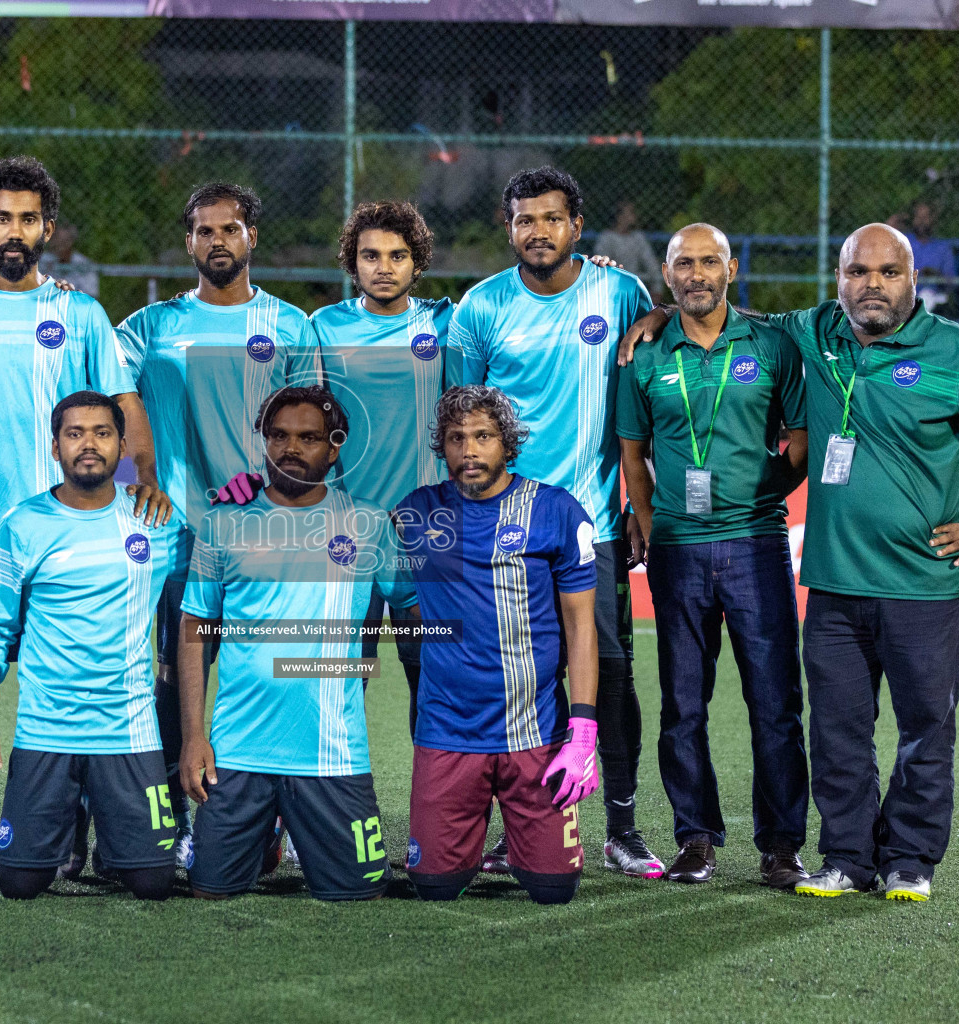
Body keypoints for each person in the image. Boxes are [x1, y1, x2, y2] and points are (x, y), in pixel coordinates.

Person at [622, 224, 959, 902]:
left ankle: (909, 859)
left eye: (887, 272)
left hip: (925, 582)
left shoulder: (956, 351)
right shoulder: (814, 332)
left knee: (924, 729)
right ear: (838, 280)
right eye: (856, 272)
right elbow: (726, 312)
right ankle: (847, 859)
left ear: (913, 280)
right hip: (835, 583)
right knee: (838, 732)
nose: (871, 285)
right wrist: (665, 311)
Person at [0, 156, 168, 877]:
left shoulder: (78, 312)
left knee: (72, 684)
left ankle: (69, 835)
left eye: (29, 219)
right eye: (3, 218)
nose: (15, 232)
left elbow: (122, 401)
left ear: (50, 228)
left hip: (67, 536)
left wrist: (148, 477)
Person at [445, 165, 665, 879]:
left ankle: (623, 828)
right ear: (507, 229)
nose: (537, 231)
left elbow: (647, 390)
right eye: (523, 220)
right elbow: (462, 423)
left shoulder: (618, 290)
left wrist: (637, 499)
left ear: (577, 226)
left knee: (612, 674)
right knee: (520, 682)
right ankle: (526, 828)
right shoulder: (478, 309)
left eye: (551, 218)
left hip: (594, 524)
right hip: (506, 531)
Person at [115, 182, 320, 869]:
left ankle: (273, 817)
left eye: (230, 230)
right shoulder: (150, 327)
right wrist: (143, 470)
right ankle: (174, 818)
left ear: (252, 238)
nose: (217, 242)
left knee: (267, 673)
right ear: (189, 243)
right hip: (176, 530)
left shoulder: (291, 326)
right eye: (204, 232)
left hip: (267, 530)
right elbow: (104, 383)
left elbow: (313, 430)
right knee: (177, 678)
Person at [615, 223, 810, 889]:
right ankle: (695, 839)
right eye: (683, 264)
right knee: (683, 705)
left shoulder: (771, 344)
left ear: (730, 268)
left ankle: (781, 845)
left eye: (709, 262)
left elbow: (802, 443)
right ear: (667, 276)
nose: (696, 274)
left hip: (757, 544)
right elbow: (633, 456)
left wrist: (760, 495)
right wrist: (647, 522)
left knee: (775, 703)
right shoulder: (642, 353)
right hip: (677, 549)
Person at [178, 385, 414, 901]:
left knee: (359, 893)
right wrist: (193, 736)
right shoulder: (222, 521)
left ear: (335, 447)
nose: (291, 447)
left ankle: (289, 829)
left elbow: (412, 619)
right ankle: (265, 832)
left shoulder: (370, 526)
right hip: (239, 751)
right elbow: (195, 631)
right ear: (263, 442)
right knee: (210, 890)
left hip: (331, 754)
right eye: (279, 435)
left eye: (308, 438)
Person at [0, 392, 178, 901]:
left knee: (152, 883)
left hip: (127, 730)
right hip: (47, 728)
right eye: (75, 433)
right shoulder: (22, 525)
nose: (89, 444)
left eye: (103, 433)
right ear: (56, 446)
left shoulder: (158, 522)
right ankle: (70, 829)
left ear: (123, 445)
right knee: (19, 884)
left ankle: (112, 834)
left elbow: (218, 574)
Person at [395, 386, 601, 904]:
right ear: (441, 447)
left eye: (483, 436)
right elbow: (404, 598)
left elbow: (581, 628)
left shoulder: (556, 511)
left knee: (553, 889)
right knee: (434, 886)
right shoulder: (417, 514)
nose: (469, 449)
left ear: (508, 445)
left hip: (536, 732)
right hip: (448, 730)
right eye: (456, 437)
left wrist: (583, 730)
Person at [303, 200, 451, 734]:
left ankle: (438, 817)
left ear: (418, 262)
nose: (384, 267)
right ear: (352, 261)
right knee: (343, 684)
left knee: (433, 683)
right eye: (370, 255)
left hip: (430, 533)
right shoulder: (321, 328)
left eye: (398, 255)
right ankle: (332, 813)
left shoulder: (445, 323)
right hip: (347, 534)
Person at [593, 201, 663, 299]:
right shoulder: (606, 238)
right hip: (612, 289)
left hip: (635, 288)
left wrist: (657, 290)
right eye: (630, 212)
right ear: (619, 216)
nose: (634, 215)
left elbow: (651, 264)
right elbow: (601, 267)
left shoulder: (638, 238)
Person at [37, 222, 101, 297]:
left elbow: (91, 296)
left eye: (64, 242)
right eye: (57, 241)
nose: (59, 247)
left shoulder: (84, 264)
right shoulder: (43, 261)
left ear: (71, 242)